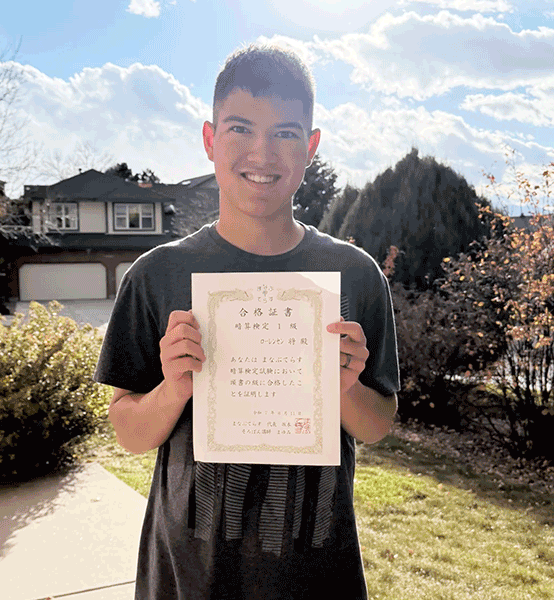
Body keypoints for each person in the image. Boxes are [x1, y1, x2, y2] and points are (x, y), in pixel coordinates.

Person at [94, 43, 400, 600]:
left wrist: (344, 387)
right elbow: (128, 433)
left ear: (310, 147)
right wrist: (174, 387)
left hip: (317, 575)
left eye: (285, 133)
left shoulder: (355, 275)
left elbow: (377, 424)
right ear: (210, 139)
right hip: (189, 574)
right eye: (240, 128)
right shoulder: (156, 275)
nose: (263, 152)